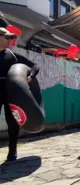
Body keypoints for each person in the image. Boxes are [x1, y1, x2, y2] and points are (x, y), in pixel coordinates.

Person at [0, 27, 40, 162]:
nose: (11, 40)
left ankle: (12, 152)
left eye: (11, 38)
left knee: (12, 123)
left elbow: (35, 66)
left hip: (10, 94)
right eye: (7, 37)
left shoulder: (12, 56)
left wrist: (30, 77)